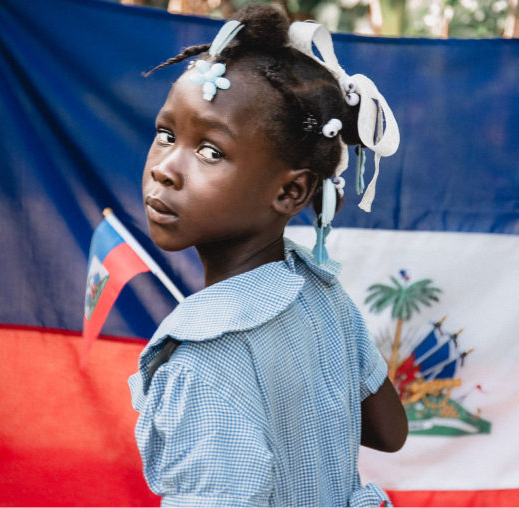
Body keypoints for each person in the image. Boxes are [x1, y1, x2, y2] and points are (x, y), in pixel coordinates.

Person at [127, 4, 407, 506]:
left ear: (292, 192)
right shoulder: (320, 294)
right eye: (167, 134)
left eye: (210, 151)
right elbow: (389, 430)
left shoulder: (202, 361)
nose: (165, 168)